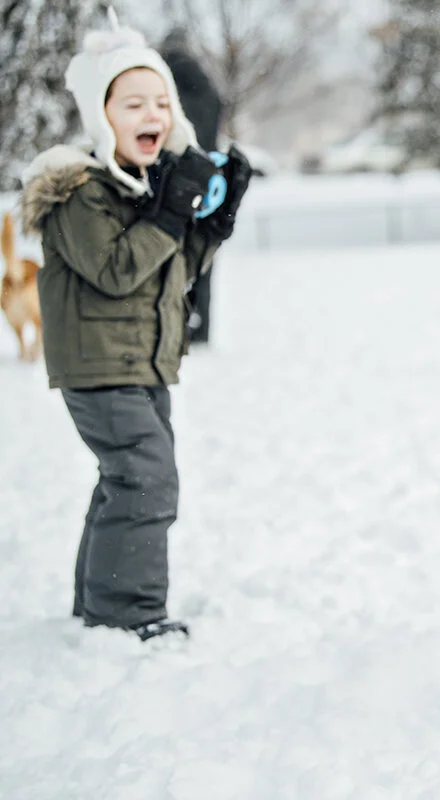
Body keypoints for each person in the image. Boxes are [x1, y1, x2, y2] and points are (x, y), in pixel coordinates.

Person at [18, 16, 253, 641]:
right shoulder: (79, 192)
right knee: (146, 480)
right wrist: (173, 209)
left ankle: (95, 605)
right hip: (99, 366)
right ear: (101, 114)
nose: (150, 112)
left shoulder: (144, 188)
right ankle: (128, 616)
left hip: (141, 362)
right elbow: (117, 271)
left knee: (124, 480)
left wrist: (213, 221)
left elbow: (169, 272)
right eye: (132, 102)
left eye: (160, 102)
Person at [160, 29, 225, 345]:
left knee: (173, 251)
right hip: (209, 177)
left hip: (177, 177)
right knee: (204, 255)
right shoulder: (207, 85)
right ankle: (203, 324)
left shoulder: (167, 83)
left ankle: (180, 320)